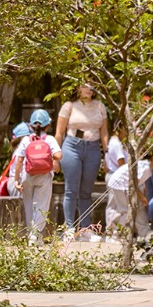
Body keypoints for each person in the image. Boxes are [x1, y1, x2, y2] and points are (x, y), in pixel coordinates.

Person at [55, 80, 108, 237]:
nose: (89, 89)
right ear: (77, 87)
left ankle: (86, 229)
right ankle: (69, 228)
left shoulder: (100, 105)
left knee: (86, 192)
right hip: (72, 146)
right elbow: (59, 132)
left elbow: (104, 131)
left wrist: (107, 154)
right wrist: (55, 157)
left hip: (93, 148)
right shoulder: (69, 106)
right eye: (85, 85)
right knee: (71, 190)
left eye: (92, 86)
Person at [11, 109, 57, 240]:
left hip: (28, 175)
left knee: (29, 205)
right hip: (44, 176)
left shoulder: (26, 139)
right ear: (48, 125)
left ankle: (32, 234)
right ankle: (35, 235)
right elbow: (59, 155)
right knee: (41, 205)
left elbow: (19, 160)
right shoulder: (49, 139)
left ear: (31, 125)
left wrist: (16, 180)